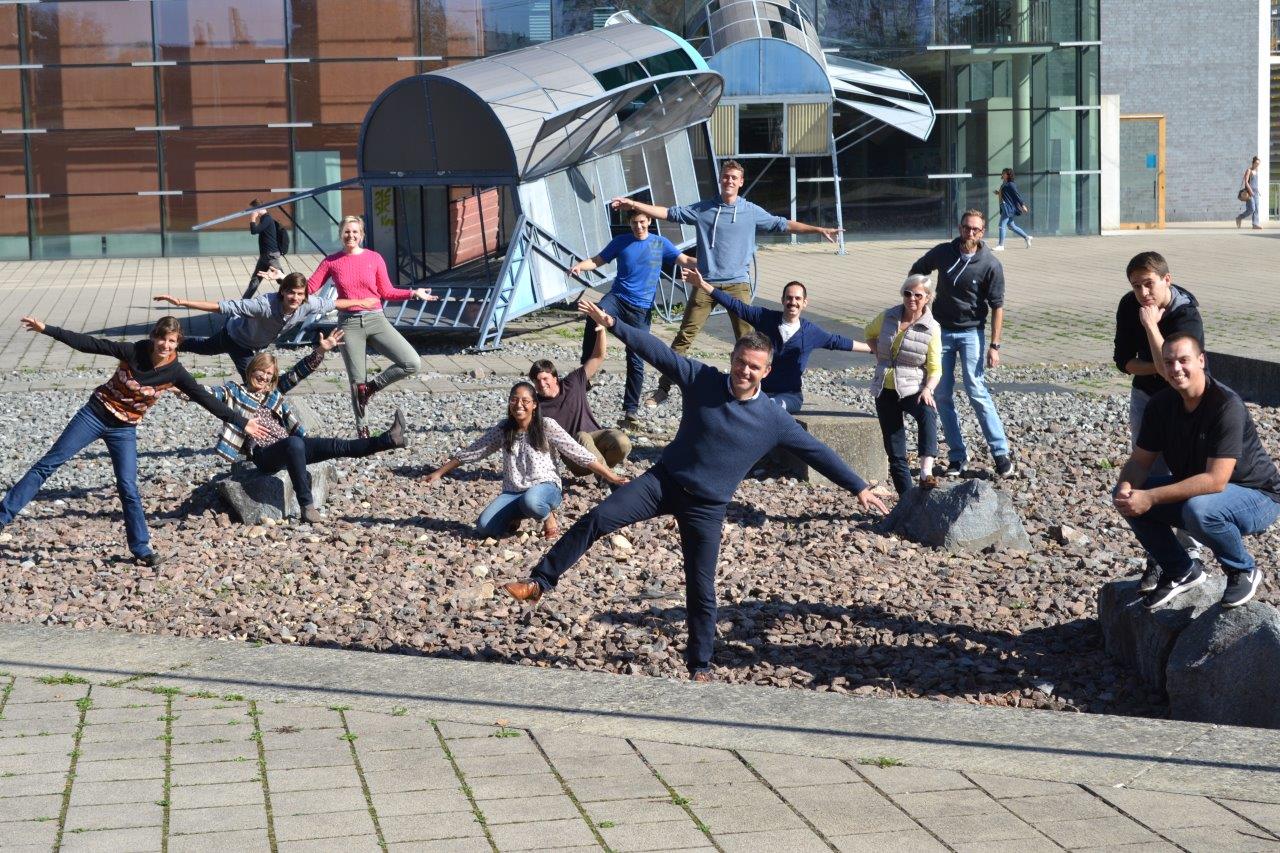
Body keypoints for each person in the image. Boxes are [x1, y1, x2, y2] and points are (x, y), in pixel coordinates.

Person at [502, 299, 888, 682]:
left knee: (701, 588)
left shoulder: (773, 419)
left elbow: (817, 453)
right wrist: (614, 324)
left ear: (766, 371)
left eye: (754, 367)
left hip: (707, 507)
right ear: (732, 358)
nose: (745, 371)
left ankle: (699, 666)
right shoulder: (702, 379)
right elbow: (657, 352)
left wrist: (857, 487)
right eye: (740, 362)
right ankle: (540, 582)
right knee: (598, 518)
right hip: (663, 482)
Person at [0, 316, 266, 565]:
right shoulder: (133, 352)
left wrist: (242, 422)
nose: (165, 345)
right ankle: (2, 517)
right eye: (162, 339)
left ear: (177, 343)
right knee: (48, 464)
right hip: (95, 414)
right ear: (153, 337)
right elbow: (90, 344)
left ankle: (141, 548)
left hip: (124, 430)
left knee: (128, 486)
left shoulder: (175, 372)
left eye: (171, 341)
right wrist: (47, 330)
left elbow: (204, 398)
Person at [609, 159, 841, 409]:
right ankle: (663, 389)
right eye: (725, 176)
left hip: (737, 285)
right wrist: (633, 204)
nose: (729, 181)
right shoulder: (704, 209)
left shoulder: (750, 211)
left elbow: (783, 224)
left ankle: (756, 394)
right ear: (720, 180)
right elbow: (668, 213)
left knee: (749, 341)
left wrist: (818, 230)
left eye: (733, 177)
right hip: (705, 284)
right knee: (684, 337)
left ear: (741, 182)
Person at [1113, 332, 1280, 610]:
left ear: (1201, 360)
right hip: (1203, 493)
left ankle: (1242, 569)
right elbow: (1140, 462)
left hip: (1258, 496)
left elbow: (1215, 480)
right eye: (1168, 362)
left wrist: (1151, 497)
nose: (1176, 368)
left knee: (1199, 510)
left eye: (1183, 360)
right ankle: (1180, 570)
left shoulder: (1225, 405)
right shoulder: (1161, 405)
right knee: (1127, 497)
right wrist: (1126, 488)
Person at [208, 331, 408, 524]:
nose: (264, 377)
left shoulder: (273, 393)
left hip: (292, 447)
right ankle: (307, 506)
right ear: (252, 369)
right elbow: (208, 394)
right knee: (294, 443)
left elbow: (297, 373)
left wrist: (320, 351)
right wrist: (188, 387)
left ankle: (389, 439)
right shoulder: (235, 392)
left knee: (337, 445)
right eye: (262, 371)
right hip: (265, 454)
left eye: (269, 374)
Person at [267, 215, 436, 437]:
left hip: (376, 320)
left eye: (355, 232)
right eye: (347, 231)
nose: (351, 235)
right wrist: (283, 279)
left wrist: (414, 293)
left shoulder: (374, 258)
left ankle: (372, 388)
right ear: (341, 234)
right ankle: (362, 432)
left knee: (412, 362)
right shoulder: (332, 261)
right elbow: (309, 288)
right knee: (357, 382)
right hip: (349, 324)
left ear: (362, 235)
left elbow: (387, 291)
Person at [424, 381, 629, 539]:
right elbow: (474, 451)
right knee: (485, 527)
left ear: (534, 405)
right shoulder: (504, 429)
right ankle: (517, 514)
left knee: (532, 501)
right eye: (514, 400)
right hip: (513, 491)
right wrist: (439, 472)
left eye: (525, 401)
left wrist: (611, 476)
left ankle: (548, 517)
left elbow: (579, 453)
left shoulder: (546, 425)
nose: (519, 405)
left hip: (545, 487)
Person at [1112, 251, 1206, 590]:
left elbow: (1177, 376)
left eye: (1149, 284)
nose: (1143, 293)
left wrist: (1152, 327)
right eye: (1136, 286)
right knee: (1146, 471)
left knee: (1185, 472)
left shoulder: (1186, 315)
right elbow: (1124, 362)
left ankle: (1190, 551)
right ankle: (1159, 554)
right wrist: (1162, 366)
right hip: (1147, 398)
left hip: (1185, 401)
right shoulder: (1130, 305)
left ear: (1167, 279)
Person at [908, 209, 1015, 478]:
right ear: (960, 228)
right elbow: (917, 270)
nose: (970, 233)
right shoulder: (944, 252)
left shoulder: (990, 264)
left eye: (975, 229)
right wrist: (922, 298)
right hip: (941, 332)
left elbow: (998, 306)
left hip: (972, 333)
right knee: (941, 394)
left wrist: (995, 345)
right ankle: (957, 456)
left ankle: (1000, 453)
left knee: (976, 389)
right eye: (967, 228)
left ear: (982, 233)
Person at [568, 210, 696, 428]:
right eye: (635, 223)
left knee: (635, 358)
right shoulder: (621, 241)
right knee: (594, 314)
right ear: (629, 223)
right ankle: (585, 374)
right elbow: (597, 260)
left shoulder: (660, 243)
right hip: (617, 298)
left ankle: (631, 410)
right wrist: (580, 266)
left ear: (649, 221)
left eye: (642, 222)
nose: (639, 227)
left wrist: (707, 263)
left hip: (641, 309)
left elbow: (684, 260)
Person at [684, 269, 866, 413]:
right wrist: (703, 285)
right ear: (782, 300)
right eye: (789, 298)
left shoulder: (811, 332)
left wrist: (873, 348)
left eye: (797, 299)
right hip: (758, 389)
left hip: (789, 396)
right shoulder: (765, 318)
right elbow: (736, 306)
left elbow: (837, 342)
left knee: (769, 407)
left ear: (804, 303)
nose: (792, 302)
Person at [155, 272, 378, 380]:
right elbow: (221, 307)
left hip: (256, 345)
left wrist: (362, 302)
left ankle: (177, 344)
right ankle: (167, 344)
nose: (295, 298)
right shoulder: (263, 306)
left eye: (299, 294)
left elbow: (335, 303)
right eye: (291, 293)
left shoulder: (309, 303)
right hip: (236, 338)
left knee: (206, 349)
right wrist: (181, 302)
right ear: (282, 292)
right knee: (254, 380)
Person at [865, 274, 942, 495]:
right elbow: (869, 333)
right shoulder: (887, 316)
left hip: (913, 387)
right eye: (908, 294)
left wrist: (928, 389)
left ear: (927, 298)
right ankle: (906, 499)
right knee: (895, 450)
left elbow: (935, 368)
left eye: (918, 295)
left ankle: (926, 472)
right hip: (885, 388)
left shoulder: (932, 328)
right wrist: (880, 355)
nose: (912, 299)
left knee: (928, 412)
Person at [528, 330, 631, 479]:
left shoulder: (573, 382)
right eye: (537, 381)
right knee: (582, 436)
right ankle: (608, 478)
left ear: (555, 378)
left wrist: (601, 330)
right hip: (573, 455)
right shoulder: (536, 407)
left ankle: (602, 470)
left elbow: (598, 356)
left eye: (545, 379)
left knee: (622, 442)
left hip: (596, 439)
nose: (542, 384)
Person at [245, 201, 285, 298]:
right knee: (255, 281)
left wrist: (253, 218)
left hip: (271, 256)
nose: (252, 212)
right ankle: (244, 302)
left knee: (282, 279)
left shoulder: (267, 219)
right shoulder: (264, 219)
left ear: (258, 209)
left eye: (253, 210)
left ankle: (296, 295)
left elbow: (254, 231)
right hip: (264, 256)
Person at [993, 168, 1031, 251]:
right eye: (1003, 173)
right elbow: (1006, 194)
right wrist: (998, 193)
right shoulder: (1005, 183)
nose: (1002, 174)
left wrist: (1022, 205)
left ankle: (1001, 245)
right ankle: (1026, 237)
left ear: (1008, 175)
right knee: (1011, 226)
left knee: (1001, 225)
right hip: (1004, 206)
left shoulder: (1011, 184)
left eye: (1004, 173)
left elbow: (1017, 195)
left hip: (1008, 207)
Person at [1236, 156, 1262, 230]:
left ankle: (1255, 224)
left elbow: (1254, 183)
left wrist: (1257, 191)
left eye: (1258, 164)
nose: (1257, 165)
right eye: (1256, 163)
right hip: (1249, 193)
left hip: (1256, 192)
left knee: (1256, 209)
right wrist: (1251, 191)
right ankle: (1239, 217)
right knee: (1252, 209)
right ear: (1253, 163)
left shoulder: (1256, 171)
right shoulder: (1249, 170)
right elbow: (1246, 182)